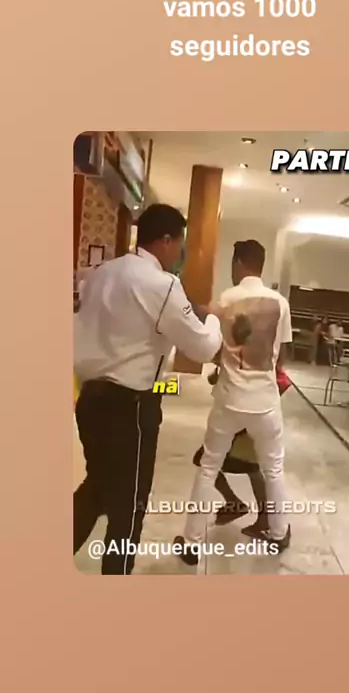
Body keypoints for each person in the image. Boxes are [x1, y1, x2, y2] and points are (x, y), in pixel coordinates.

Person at [73, 203, 223, 575]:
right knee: (129, 505)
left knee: (98, 487)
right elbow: (203, 347)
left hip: (89, 400)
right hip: (131, 408)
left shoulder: (101, 272)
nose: (180, 253)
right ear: (167, 240)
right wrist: (213, 318)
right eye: (180, 244)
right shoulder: (162, 284)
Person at [175, 239, 293, 566]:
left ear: (239, 263)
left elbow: (214, 342)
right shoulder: (281, 303)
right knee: (274, 469)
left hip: (229, 398)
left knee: (208, 467)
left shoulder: (227, 298)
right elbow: (281, 356)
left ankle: (192, 543)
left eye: (233, 262)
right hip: (265, 401)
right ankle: (278, 533)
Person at [192, 364, 292, 538]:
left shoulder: (246, 354)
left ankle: (256, 515)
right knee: (253, 467)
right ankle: (249, 511)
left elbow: (282, 380)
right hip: (257, 411)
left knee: (249, 467)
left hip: (244, 412)